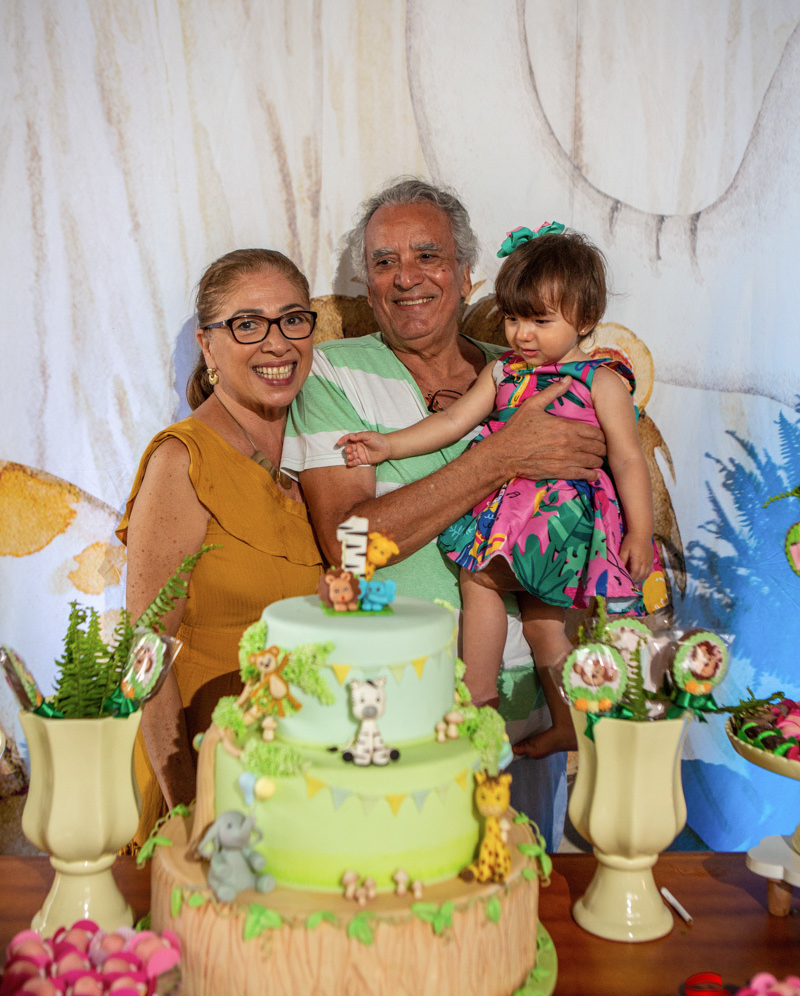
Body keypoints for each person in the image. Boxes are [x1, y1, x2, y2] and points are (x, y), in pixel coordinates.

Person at [282, 179, 606, 849]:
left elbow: (590, 486)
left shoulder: (528, 369)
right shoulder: (332, 374)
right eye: (384, 262)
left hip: (534, 705)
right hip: (404, 710)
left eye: (427, 256)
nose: (406, 278)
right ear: (367, 284)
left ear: (465, 276)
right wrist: (501, 457)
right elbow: (350, 545)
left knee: (523, 885)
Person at [337, 222, 661, 757]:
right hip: (513, 516)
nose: (522, 335)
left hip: (561, 522)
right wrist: (388, 446)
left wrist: (641, 534)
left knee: (496, 589)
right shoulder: (502, 372)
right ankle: (547, 715)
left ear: (585, 320)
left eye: (540, 321)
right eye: (512, 318)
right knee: (528, 616)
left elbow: (628, 459)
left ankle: (493, 699)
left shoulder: (601, 381)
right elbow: (451, 423)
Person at [117, 249, 323, 845]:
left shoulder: (324, 456)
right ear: (207, 347)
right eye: (247, 324)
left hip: (289, 786)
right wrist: (190, 807)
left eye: (292, 319)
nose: (277, 343)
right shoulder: (182, 460)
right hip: (197, 779)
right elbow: (144, 654)